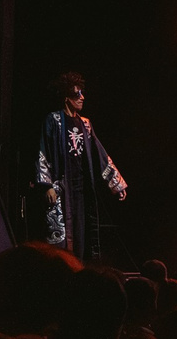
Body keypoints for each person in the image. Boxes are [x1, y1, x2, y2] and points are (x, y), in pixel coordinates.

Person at [36, 71, 127, 261]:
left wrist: (116, 184)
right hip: (61, 189)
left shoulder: (85, 124)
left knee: (81, 233)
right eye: (77, 94)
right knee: (60, 238)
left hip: (82, 189)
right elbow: (42, 151)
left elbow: (100, 154)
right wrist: (47, 185)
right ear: (67, 98)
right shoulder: (53, 120)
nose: (82, 98)